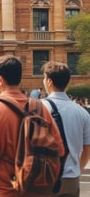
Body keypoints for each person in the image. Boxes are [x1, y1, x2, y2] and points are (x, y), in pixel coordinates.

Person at [0, 55, 65, 197]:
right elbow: (59, 150)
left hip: (4, 189)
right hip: (37, 191)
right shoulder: (39, 107)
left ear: (0, 80)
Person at [41, 61, 90, 197]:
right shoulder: (82, 112)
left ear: (49, 81)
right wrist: (77, 169)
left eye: (44, 78)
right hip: (71, 178)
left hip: (44, 177)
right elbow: (87, 148)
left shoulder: (38, 108)